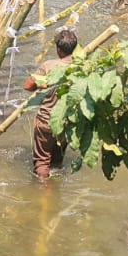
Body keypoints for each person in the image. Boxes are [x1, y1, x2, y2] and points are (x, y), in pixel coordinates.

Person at [23, 28, 78, 181]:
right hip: (67, 122)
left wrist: (41, 84)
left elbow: (27, 86)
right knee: (57, 161)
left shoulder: (49, 66)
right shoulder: (81, 68)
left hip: (47, 121)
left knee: (42, 162)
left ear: (58, 49)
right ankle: (55, 190)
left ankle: (45, 195)